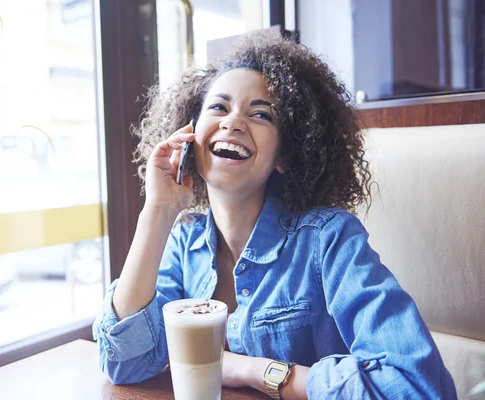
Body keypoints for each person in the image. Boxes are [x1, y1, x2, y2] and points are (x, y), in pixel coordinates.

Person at [92, 31, 456, 399]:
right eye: (218, 107)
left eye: (261, 114)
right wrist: (158, 210)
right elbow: (125, 362)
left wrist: (254, 371)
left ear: (285, 155)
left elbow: (416, 385)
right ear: (190, 135)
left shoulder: (328, 239)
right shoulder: (185, 241)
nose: (233, 122)